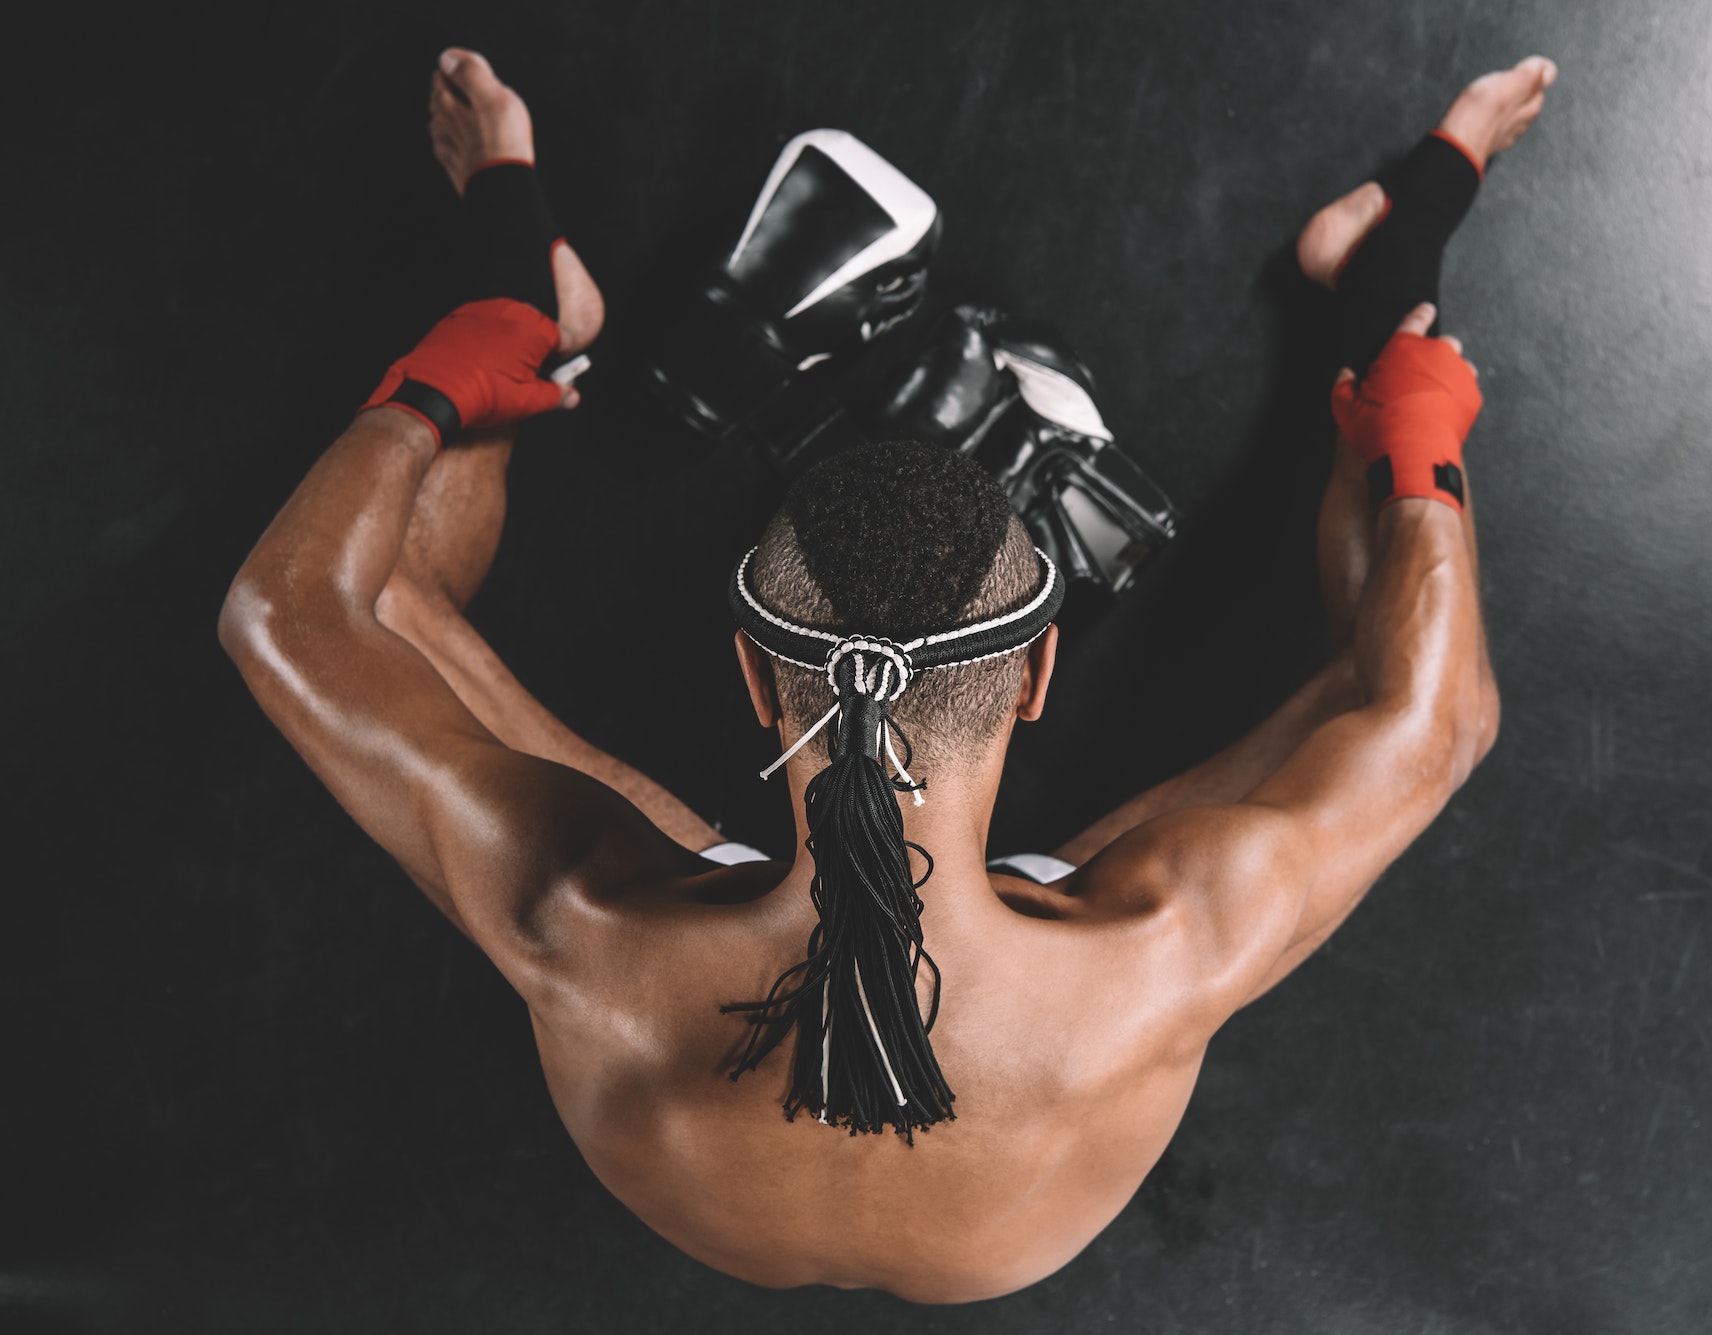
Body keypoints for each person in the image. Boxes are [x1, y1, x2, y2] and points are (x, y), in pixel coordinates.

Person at [220, 47, 1553, 1302]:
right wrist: (1414, 427)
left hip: (696, 1151)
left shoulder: (582, 925)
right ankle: (1379, 281)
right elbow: (1438, 714)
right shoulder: (1165, 947)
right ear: (1040, 671)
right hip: (1010, 1226)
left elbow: (289, 614)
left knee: (387, 590)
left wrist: (439, 379)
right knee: (1376, 673)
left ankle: (532, 313)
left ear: (753, 675)